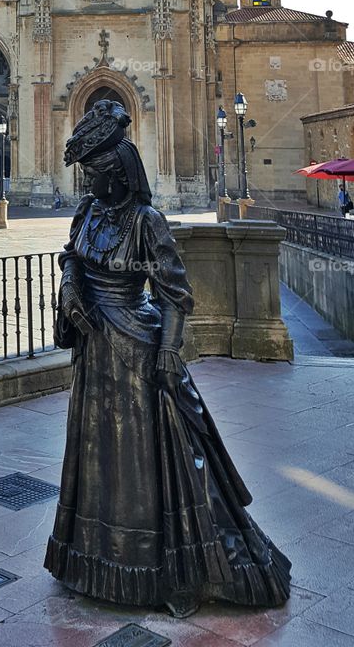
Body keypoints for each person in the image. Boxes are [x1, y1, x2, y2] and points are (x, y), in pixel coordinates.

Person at [44, 98, 291, 619]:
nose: (86, 182)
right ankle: (94, 556)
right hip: (96, 355)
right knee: (100, 457)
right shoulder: (87, 213)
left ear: (117, 172)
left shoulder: (146, 221)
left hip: (137, 355)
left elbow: (176, 296)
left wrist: (167, 356)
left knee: (143, 461)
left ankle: (160, 568)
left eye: (93, 172)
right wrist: (70, 288)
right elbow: (71, 256)